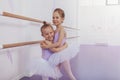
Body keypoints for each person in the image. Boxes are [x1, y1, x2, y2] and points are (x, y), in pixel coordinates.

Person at [41, 8, 79, 80]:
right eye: (53, 17)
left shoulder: (62, 30)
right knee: (56, 71)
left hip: (61, 53)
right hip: (56, 54)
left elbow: (58, 43)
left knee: (69, 72)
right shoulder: (54, 31)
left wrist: (48, 46)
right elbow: (50, 33)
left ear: (62, 19)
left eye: (57, 17)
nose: (55, 19)